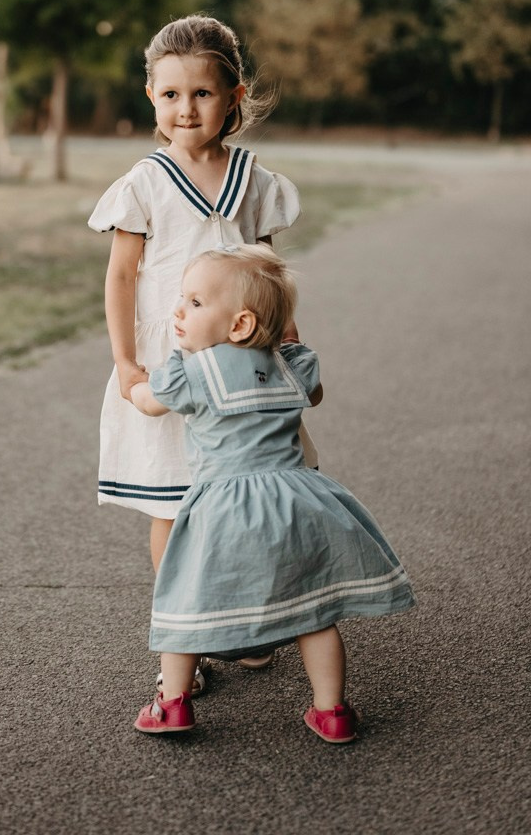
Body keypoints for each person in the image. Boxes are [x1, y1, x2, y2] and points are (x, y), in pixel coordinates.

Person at [88, 15, 313, 691]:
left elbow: (268, 271)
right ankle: (182, 639)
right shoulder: (147, 182)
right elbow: (122, 276)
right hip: (174, 363)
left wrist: (288, 334)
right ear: (151, 97)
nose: (186, 109)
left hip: (243, 367)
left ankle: (240, 625)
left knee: (244, 498)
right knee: (176, 506)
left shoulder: (253, 179)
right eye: (170, 95)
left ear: (234, 95)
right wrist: (129, 363)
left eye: (203, 94)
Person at [128, 245, 416, 740]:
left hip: (224, 506)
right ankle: (332, 710)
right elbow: (315, 392)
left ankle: (172, 705)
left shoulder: (194, 372)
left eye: (195, 303)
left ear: (239, 325)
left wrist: (131, 383)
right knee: (314, 611)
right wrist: (283, 333)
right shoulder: (290, 367)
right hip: (298, 499)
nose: (178, 309)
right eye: (182, 298)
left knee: (188, 599)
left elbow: (150, 404)